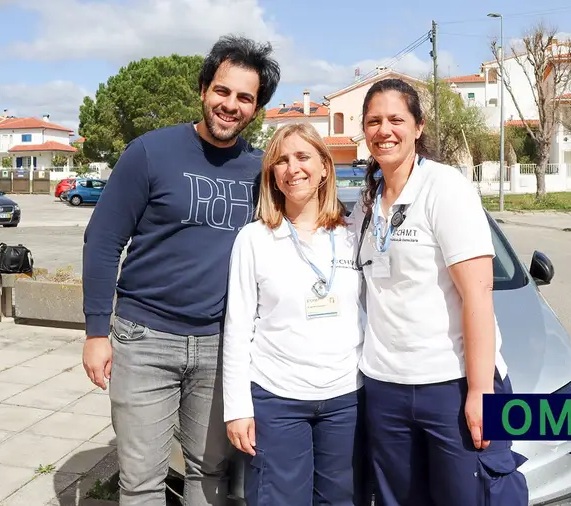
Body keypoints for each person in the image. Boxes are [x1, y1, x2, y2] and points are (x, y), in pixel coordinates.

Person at [81, 35, 281, 506]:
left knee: (210, 472)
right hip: (144, 338)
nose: (230, 105)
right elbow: (104, 240)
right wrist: (95, 331)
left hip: (220, 346)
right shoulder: (151, 152)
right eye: (223, 91)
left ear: (256, 108)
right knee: (142, 479)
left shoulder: (260, 171)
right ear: (204, 89)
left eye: (245, 98)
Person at [349, 77, 529, 506]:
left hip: (451, 384)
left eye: (396, 119)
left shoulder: (445, 188)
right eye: (374, 121)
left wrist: (481, 393)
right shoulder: (367, 201)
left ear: (419, 126)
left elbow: (478, 295)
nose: (384, 130)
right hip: (385, 385)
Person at [222, 122, 367, 506]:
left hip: (346, 398)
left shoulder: (353, 234)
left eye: (303, 157)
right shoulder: (254, 239)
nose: (292, 168)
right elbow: (237, 330)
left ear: (324, 167)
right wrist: (237, 408)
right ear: (272, 173)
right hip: (277, 399)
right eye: (281, 161)